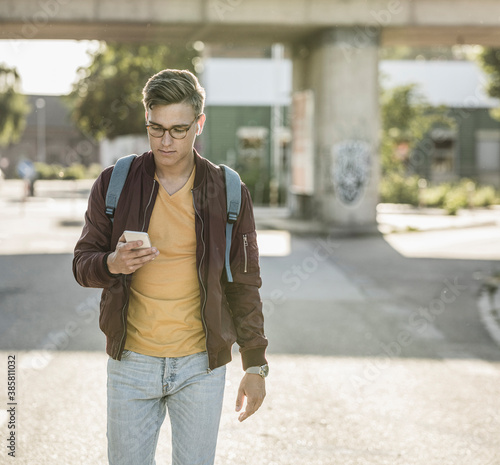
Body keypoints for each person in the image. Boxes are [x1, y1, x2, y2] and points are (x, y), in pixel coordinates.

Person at [73, 69, 268, 465]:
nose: (166, 141)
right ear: (147, 119)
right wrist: (112, 263)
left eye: (178, 129)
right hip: (132, 364)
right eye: (156, 128)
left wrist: (256, 364)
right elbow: (82, 264)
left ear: (199, 123)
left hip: (201, 367)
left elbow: (244, 283)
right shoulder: (116, 183)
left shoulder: (228, 191)